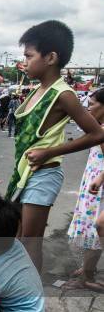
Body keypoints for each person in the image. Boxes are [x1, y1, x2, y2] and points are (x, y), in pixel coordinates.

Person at [5, 20, 104, 273]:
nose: (24, 62)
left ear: (50, 57)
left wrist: (51, 151)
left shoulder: (63, 94)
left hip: (44, 174)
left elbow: (96, 134)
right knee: (15, 239)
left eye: (28, 56)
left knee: (30, 243)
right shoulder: (37, 90)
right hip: (25, 173)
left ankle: (30, 301)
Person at [66, 88, 104, 292]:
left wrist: (99, 179)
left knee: (94, 229)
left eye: (92, 104)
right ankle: (87, 268)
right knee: (90, 226)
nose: (88, 109)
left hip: (99, 188)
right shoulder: (99, 127)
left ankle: (88, 277)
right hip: (94, 184)